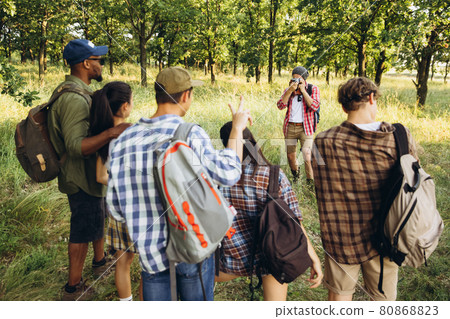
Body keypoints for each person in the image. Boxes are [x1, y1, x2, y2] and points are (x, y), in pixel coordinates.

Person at [106, 66, 252, 301]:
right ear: (186, 96)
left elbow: (116, 210)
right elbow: (228, 173)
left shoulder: (123, 141)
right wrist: (236, 129)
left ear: (157, 95)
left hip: (151, 260)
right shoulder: (188, 133)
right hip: (191, 252)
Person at [312, 77, 419, 301]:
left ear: (343, 106)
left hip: (340, 236)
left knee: (339, 298)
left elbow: (319, 183)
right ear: (371, 97)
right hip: (386, 237)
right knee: (382, 300)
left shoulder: (322, 141)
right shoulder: (398, 137)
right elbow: (413, 182)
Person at [47, 39, 131, 301]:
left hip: (89, 177)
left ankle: (99, 263)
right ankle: (73, 288)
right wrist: (112, 132)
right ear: (85, 63)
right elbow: (75, 146)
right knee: (82, 229)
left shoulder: (79, 91)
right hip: (79, 178)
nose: (100, 64)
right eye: (98, 60)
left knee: (96, 220)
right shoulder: (73, 98)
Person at [215, 122, 323, 301]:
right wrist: (313, 257)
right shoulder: (273, 175)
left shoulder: (217, 177)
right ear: (253, 142)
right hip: (272, 257)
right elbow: (294, 221)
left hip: (230, 259)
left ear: (226, 144)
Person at [89, 81, 137, 301]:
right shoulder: (133, 133)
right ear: (125, 106)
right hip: (138, 207)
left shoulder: (104, 134)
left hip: (116, 207)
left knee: (122, 260)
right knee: (148, 261)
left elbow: (100, 176)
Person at [276, 66, 320, 185]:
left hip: (306, 127)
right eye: (293, 78)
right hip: (290, 127)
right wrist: (290, 91)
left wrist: (303, 91)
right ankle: (296, 177)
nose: (295, 81)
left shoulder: (313, 89)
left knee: (306, 154)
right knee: (291, 156)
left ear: (304, 80)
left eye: (298, 79)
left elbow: (314, 106)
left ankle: (310, 183)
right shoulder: (289, 90)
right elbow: (280, 106)